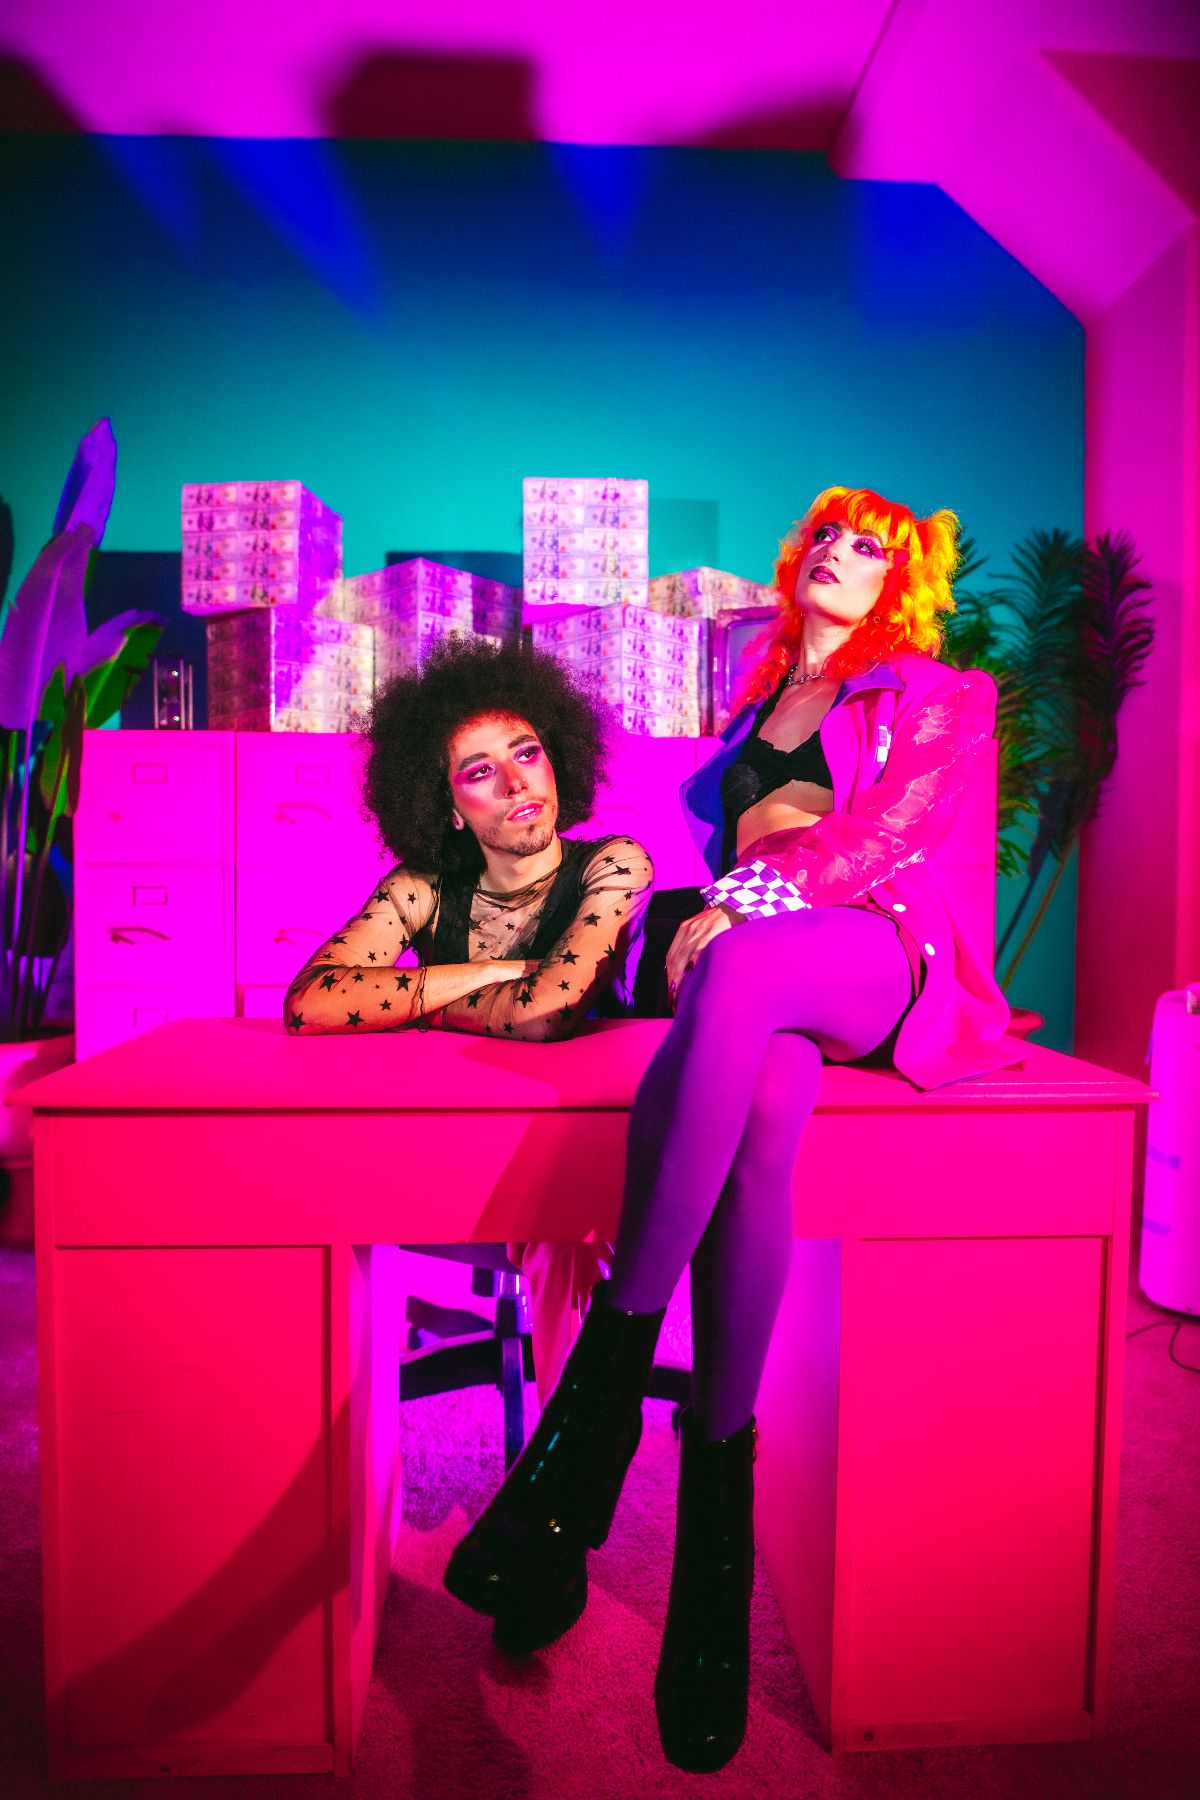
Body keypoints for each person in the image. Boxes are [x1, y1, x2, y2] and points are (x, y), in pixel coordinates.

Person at [442, 486, 1020, 1771]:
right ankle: (711, 1571)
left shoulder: (938, 694)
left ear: (904, 584)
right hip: (769, 969)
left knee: (740, 966)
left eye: (874, 549)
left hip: (873, 951)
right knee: (761, 1101)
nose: (843, 557)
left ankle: (591, 1419)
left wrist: (742, 902)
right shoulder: (760, 706)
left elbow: (890, 835)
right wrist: (710, 908)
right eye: (830, 537)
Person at [282, 637, 654, 1517]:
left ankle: (555, 1498)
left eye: (527, 753)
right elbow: (311, 1002)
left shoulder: (614, 863)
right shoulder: (421, 889)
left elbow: (551, 1009)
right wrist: (490, 975)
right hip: (448, 1149)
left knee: (565, 1236)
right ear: (446, 806)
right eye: (480, 771)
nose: (519, 783)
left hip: (577, 1146)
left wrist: (415, 999)